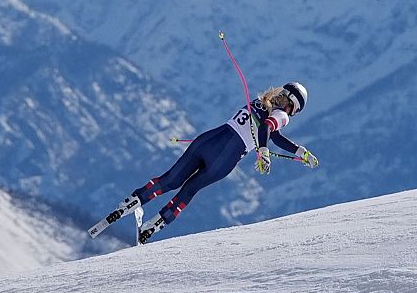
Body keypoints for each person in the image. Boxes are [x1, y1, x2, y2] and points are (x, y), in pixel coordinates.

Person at [105, 82, 319, 244]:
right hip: (225, 159)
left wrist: (300, 151)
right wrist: (263, 152)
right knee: (189, 190)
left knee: (171, 179)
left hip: (209, 140)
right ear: (291, 105)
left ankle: (134, 200)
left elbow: (274, 135)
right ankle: (157, 224)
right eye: (293, 110)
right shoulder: (282, 115)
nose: (290, 114)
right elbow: (267, 129)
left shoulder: (261, 102)